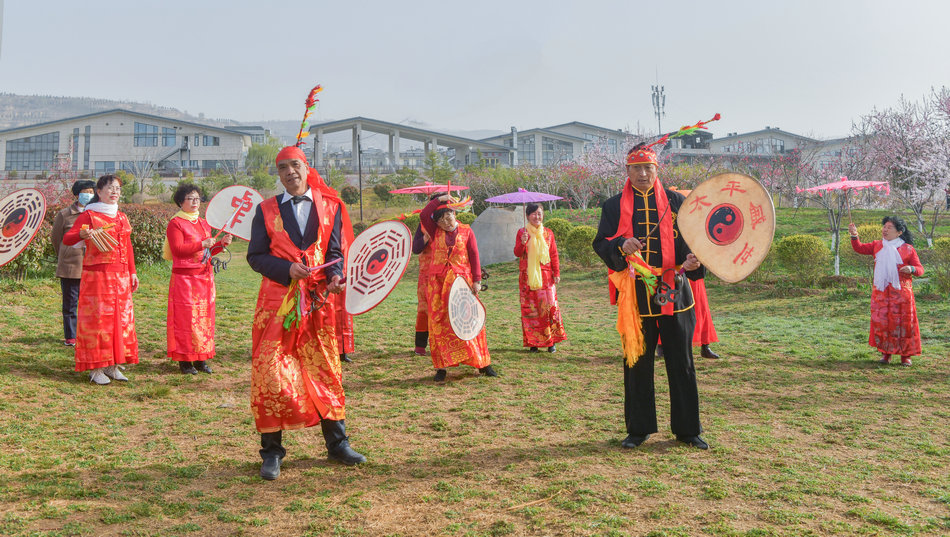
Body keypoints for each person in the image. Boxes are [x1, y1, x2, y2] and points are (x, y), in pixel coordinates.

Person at [246, 143, 365, 480]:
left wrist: (336, 275)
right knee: (272, 374)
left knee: (325, 369)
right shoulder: (265, 210)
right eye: (282, 167)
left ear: (306, 167)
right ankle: (271, 452)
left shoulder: (331, 206)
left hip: (317, 303)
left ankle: (337, 444)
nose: (289, 172)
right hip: (277, 304)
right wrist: (285, 270)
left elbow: (335, 251)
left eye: (294, 165)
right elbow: (255, 256)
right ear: (278, 173)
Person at [592, 142, 708, 450]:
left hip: (676, 291)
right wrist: (620, 245)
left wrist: (695, 261)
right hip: (637, 294)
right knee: (637, 363)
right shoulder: (614, 206)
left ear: (657, 170)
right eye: (636, 168)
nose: (643, 174)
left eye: (648, 168)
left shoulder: (676, 201)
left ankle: (688, 429)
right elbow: (601, 243)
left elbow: (694, 241)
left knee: (681, 362)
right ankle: (638, 428)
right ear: (627, 171)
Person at [62, 174, 139, 385]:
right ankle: (95, 368)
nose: (115, 192)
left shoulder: (121, 217)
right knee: (98, 321)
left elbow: (128, 247)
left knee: (120, 321)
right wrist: (84, 235)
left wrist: (132, 271)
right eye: (110, 188)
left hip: (121, 276)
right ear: (99, 192)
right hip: (98, 276)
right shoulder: (90, 215)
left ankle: (113, 365)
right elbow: (68, 238)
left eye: (118, 189)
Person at [414, 195, 496, 382]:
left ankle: (482, 363)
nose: (445, 222)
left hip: (462, 285)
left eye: (448, 216)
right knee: (439, 324)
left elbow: (474, 255)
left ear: (454, 213)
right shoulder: (435, 232)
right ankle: (441, 368)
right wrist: (440, 199)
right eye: (441, 219)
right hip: (438, 286)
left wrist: (476, 280)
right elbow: (425, 214)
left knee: (469, 321)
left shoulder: (467, 231)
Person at [164, 185, 232, 374]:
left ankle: (201, 359)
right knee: (186, 321)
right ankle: (185, 360)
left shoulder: (204, 223)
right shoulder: (176, 223)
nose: (195, 202)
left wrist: (221, 245)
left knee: (204, 319)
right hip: (185, 278)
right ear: (180, 202)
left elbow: (208, 252)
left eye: (197, 198)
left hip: (204, 277)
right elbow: (177, 249)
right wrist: (201, 243)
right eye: (190, 198)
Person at [848, 217, 923, 366]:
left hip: (901, 295)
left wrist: (911, 269)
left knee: (904, 324)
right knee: (883, 323)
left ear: (899, 232)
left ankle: (905, 356)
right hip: (881, 294)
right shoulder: (877, 245)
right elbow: (860, 248)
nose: (885, 230)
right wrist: (854, 235)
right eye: (884, 227)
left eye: (889, 228)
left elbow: (920, 270)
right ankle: (886, 353)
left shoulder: (908, 249)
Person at [513, 203, 566, 353]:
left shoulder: (548, 233)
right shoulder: (522, 232)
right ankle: (533, 342)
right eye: (534, 214)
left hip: (546, 277)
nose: (537, 216)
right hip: (527, 278)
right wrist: (523, 243)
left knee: (549, 309)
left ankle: (551, 342)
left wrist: (557, 273)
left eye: (540, 213)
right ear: (528, 216)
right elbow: (517, 253)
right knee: (531, 310)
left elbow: (554, 254)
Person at [51, 179, 95, 347]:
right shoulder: (64, 214)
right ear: (77, 194)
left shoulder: (95, 214)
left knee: (90, 303)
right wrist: (64, 254)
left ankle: (86, 333)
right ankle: (70, 336)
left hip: (91, 266)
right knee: (70, 303)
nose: (89, 195)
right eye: (86, 192)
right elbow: (56, 239)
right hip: (70, 266)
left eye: (92, 192)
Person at [656, 278, 720, 359]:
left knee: (700, 308)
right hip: (675, 274)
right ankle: (662, 345)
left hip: (694, 276)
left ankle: (705, 346)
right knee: (670, 306)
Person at [413, 219, 432, 356]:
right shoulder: (423, 225)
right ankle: (420, 345)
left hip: (447, 273)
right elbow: (416, 248)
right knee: (424, 310)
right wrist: (426, 237)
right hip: (426, 274)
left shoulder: (455, 225)